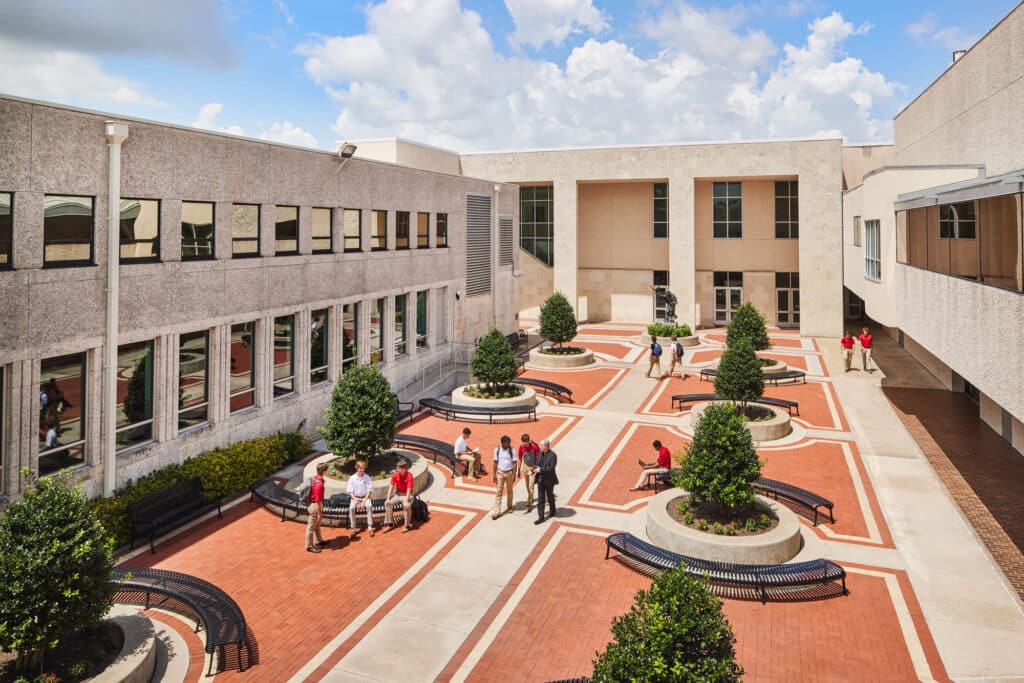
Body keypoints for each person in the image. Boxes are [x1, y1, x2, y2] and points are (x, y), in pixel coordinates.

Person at [532, 439, 559, 524]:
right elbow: (537, 464)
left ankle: (553, 510)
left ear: (546, 446)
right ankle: (541, 517)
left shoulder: (553, 455)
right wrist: (533, 471)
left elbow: (551, 468)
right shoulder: (540, 453)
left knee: (550, 496)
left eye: (541, 445)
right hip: (540, 479)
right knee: (541, 498)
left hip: (549, 480)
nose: (539, 446)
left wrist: (541, 470)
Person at [346, 459, 376, 537]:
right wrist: (357, 502)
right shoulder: (352, 478)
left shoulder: (367, 478)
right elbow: (350, 492)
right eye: (359, 468)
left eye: (362, 468)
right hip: (355, 498)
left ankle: (370, 527)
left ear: (364, 468)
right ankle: (353, 528)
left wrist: (363, 502)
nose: (361, 470)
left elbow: (369, 491)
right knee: (351, 508)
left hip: (365, 498)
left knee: (369, 506)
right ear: (357, 468)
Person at [385, 459, 415, 532]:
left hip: (407, 495)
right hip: (398, 494)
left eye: (398, 468)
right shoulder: (395, 475)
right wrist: (388, 499)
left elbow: (408, 490)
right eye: (397, 468)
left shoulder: (409, 476)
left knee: (406, 506)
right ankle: (390, 524)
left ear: (404, 469)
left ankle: (407, 525)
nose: (396, 469)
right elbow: (391, 487)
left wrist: (407, 501)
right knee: (388, 504)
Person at [491, 435, 517, 519]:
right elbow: (495, 462)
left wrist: (514, 474)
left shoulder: (512, 450)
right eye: (506, 444)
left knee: (510, 491)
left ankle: (509, 506)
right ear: (502, 443)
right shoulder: (497, 450)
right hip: (500, 473)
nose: (508, 445)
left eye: (509, 443)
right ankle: (497, 511)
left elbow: (514, 462)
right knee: (499, 492)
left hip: (509, 473)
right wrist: (494, 474)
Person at [305, 462, 329, 553]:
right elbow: (318, 500)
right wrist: (320, 513)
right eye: (327, 469)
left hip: (313, 504)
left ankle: (319, 541)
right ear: (323, 471)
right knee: (311, 527)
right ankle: (309, 546)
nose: (327, 471)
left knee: (317, 525)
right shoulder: (319, 485)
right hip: (315, 506)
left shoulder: (316, 478)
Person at [517, 433, 540, 513]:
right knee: (527, 485)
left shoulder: (534, 447)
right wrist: (518, 469)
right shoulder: (521, 447)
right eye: (523, 442)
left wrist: (536, 468)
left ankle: (529, 503)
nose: (525, 444)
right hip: (525, 467)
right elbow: (520, 458)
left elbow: (538, 457)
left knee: (531, 485)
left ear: (528, 441)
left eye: (526, 442)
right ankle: (531, 497)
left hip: (532, 467)